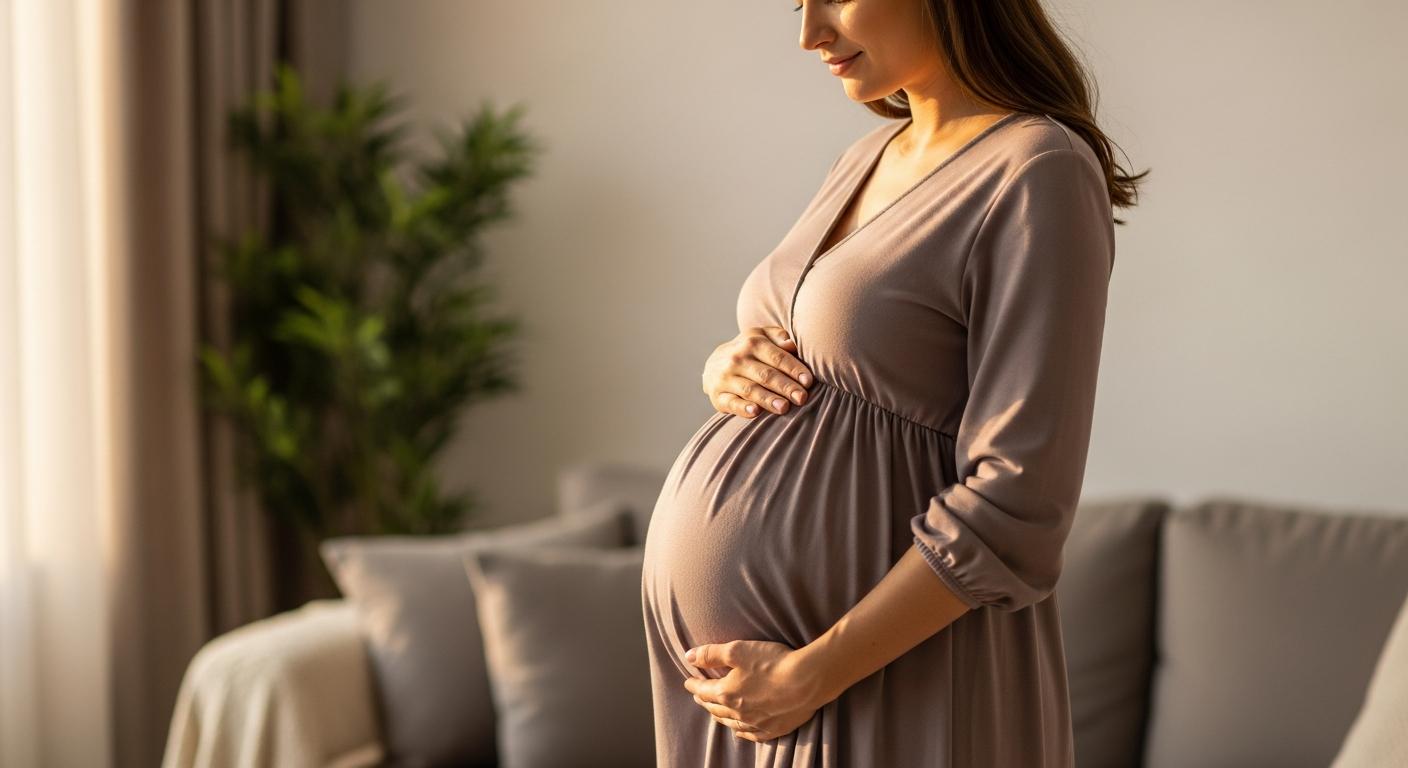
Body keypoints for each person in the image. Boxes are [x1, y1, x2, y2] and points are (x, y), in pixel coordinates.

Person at [640, 0, 1149, 765]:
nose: (808, 33)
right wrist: (723, 364)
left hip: (871, 679)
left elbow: (1021, 500)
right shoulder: (869, 155)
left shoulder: (1039, 169)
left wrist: (812, 673)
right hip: (757, 698)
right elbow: (828, 346)